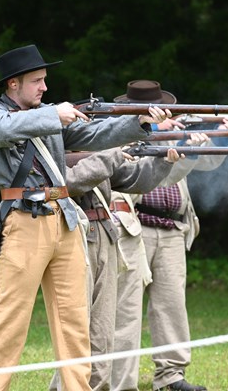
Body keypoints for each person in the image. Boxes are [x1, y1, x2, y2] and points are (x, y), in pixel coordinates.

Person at [0, 45, 169, 391]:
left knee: (74, 322)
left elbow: (95, 136)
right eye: (36, 81)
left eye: (45, 80)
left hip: (64, 219)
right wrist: (54, 116)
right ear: (13, 84)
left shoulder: (46, 114)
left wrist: (138, 122)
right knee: (10, 321)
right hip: (24, 221)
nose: (44, 88)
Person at [111, 80, 228, 391]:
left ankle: (171, 377)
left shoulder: (176, 131)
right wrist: (182, 146)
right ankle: (120, 381)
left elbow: (208, 161)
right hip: (134, 228)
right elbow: (151, 175)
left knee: (171, 306)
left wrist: (221, 135)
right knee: (125, 309)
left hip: (172, 227)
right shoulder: (124, 139)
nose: (168, 114)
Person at [49, 145, 183, 391]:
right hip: (73, 234)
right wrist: (112, 154)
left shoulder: (99, 149)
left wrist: (163, 161)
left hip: (104, 232)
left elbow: (133, 179)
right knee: (77, 327)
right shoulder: (54, 143)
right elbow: (71, 182)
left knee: (103, 330)